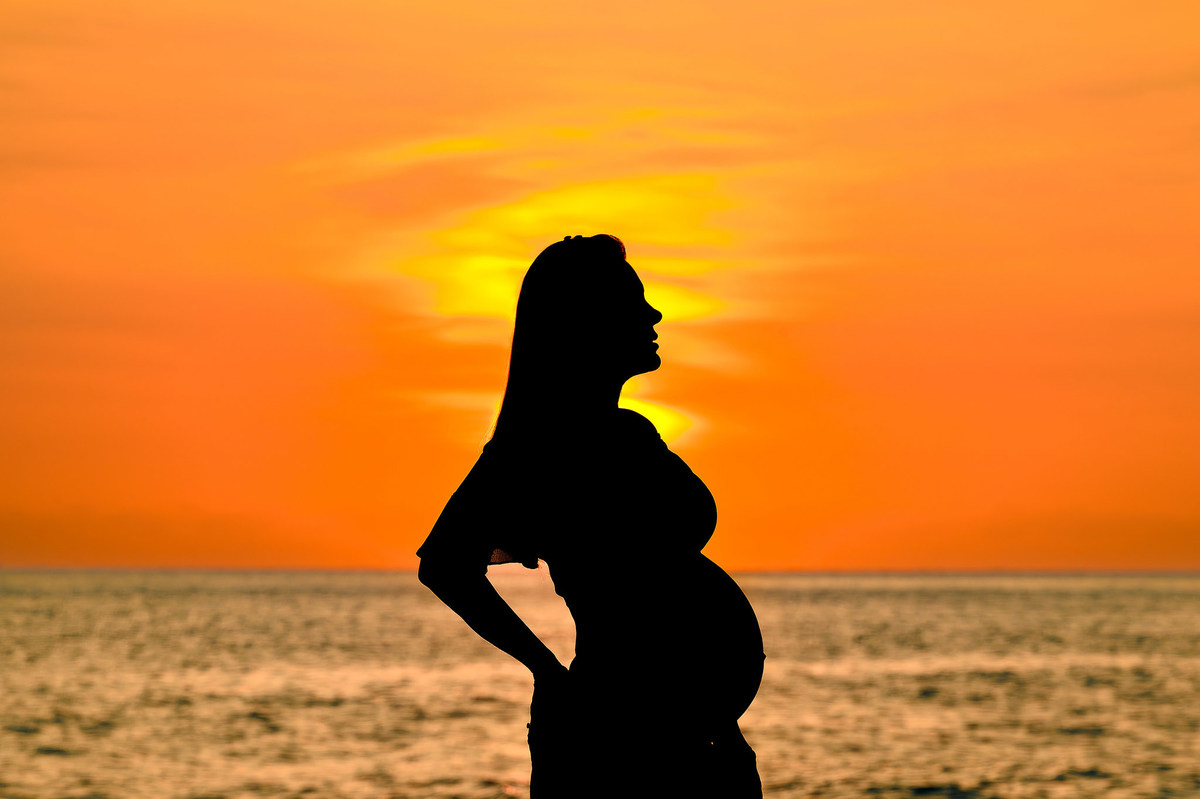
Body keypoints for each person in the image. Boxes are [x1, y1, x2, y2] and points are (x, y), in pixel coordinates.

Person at [417, 234, 764, 798]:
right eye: (634, 302)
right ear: (586, 321)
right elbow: (444, 564)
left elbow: (666, 600)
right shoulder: (538, 445)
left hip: (699, 736)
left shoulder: (633, 432)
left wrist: (725, 730)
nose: (653, 314)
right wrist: (547, 673)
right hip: (613, 739)